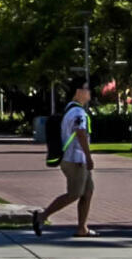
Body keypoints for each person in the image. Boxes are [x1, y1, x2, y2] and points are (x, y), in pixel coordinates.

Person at [33, 82, 96, 235]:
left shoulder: (70, 109)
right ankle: (42, 216)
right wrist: (89, 157)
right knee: (74, 193)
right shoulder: (78, 112)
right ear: (78, 91)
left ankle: (82, 228)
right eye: (87, 89)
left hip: (77, 158)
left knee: (88, 192)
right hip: (75, 159)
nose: (89, 92)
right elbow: (81, 133)